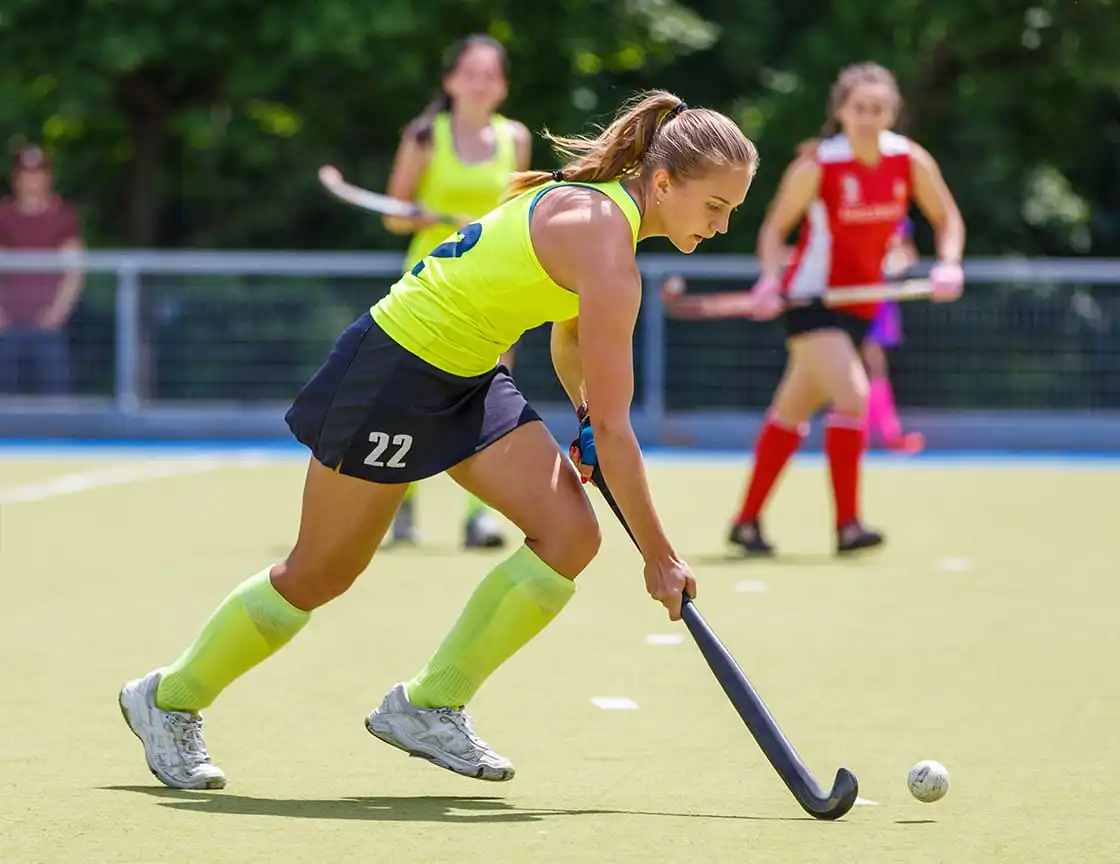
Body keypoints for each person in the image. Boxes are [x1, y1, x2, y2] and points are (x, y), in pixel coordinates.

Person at [118, 90, 759, 790]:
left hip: (470, 375)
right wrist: (661, 557)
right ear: (663, 182)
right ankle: (167, 698)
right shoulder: (605, 240)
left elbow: (572, 341)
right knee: (320, 573)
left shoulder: (607, 219)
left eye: (731, 210)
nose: (723, 226)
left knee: (570, 535)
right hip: (394, 367)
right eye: (716, 207)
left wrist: (579, 419)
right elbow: (615, 426)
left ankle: (429, 704)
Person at [670, 63, 964, 556]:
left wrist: (950, 262)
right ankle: (848, 525)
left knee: (791, 410)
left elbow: (946, 217)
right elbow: (773, 231)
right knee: (853, 396)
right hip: (812, 300)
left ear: (893, 111)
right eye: (859, 108)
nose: (869, 118)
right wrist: (770, 277)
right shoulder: (819, 165)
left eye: (879, 109)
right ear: (841, 112)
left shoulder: (908, 160)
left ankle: (745, 523)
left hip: (861, 306)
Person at [382, 34, 533, 549]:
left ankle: (479, 517)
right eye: (470, 72)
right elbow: (392, 214)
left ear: (503, 87)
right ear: (450, 82)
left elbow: (519, 211)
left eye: (490, 74)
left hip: (492, 284)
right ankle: (397, 507)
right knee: (409, 396)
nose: (480, 83)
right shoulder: (425, 136)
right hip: (427, 286)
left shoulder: (516, 138)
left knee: (488, 397)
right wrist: (419, 216)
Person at [0, 144, 85, 395]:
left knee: (54, 399)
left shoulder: (63, 217)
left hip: (48, 325)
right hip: (7, 324)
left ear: (48, 176)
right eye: (26, 173)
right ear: (16, 177)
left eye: (38, 173)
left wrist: (57, 313)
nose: (32, 180)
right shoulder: (3, 216)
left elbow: (74, 271)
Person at [862, 216, 924, 453]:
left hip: (879, 301)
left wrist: (896, 262)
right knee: (863, 367)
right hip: (857, 297)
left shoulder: (898, 218)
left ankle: (878, 433)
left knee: (874, 367)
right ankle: (880, 433)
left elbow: (908, 252)